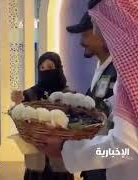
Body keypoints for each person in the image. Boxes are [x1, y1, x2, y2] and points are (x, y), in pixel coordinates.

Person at [35, 1, 138, 180]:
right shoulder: (127, 73)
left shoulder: (129, 74)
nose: (97, 33)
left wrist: (65, 149)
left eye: (97, 26)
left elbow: (124, 148)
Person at [66, 11, 118, 180]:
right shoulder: (102, 68)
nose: (82, 42)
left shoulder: (120, 72)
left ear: (103, 36)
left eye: (86, 35)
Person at [11, 52, 74, 180]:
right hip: (36, 155)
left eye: (50, 68)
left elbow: (76, 123)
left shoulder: (69, 95)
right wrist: (17, 103)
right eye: (42, 68)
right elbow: (20, 120)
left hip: (60, 156)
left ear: (58, 69)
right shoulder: (29, 94)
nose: (46, 71)